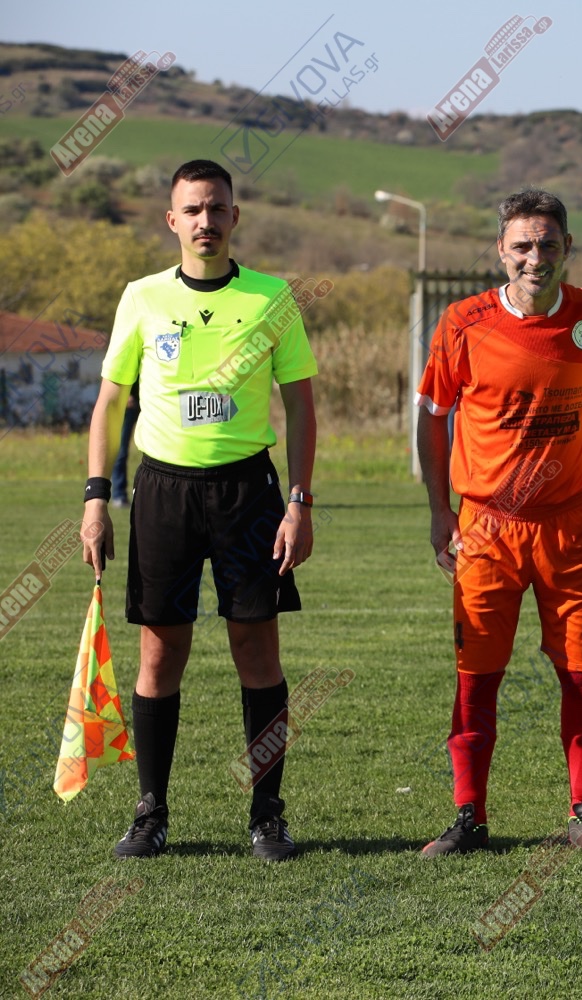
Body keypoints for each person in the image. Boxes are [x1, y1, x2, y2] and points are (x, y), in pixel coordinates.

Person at [81, 158, 318, 862]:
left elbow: (301, 405)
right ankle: (151, 811)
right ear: (172, 220)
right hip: (163, 492)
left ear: (234, 216)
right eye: (192, 210)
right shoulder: (142, 298)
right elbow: (110, 402)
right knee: (161, 652)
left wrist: (299, 501)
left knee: (257, 649)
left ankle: (267, 815)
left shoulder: (273, 298)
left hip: (249, 493)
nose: (205, 221)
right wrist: (95, 498)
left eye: (216, 208)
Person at [415, 189, 582, 858]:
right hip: (486, 528)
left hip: (569, 526)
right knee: (476, 675)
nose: (536, 257)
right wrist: (439, 510)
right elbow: (432, 416)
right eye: (523, 246)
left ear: (568, 248)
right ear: (502, 251)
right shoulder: (463, 322)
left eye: (548, 244)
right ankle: (469, 816)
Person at [109, 382, 139, 507]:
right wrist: (124, 394)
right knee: (121, 451)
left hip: (152, 398)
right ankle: (119, 495)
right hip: (129, 402)